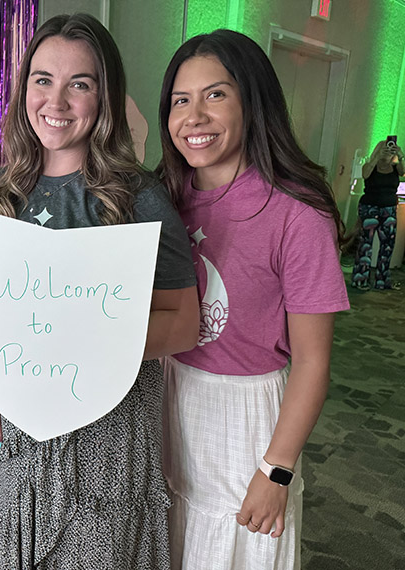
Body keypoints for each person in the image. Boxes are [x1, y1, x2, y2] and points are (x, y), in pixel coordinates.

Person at [0, 13, 199, 570]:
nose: (58, 100)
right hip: (21, 434)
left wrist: (85, 337)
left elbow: (184, 321)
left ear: (105, 97)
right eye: (43, 79)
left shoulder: (137, 197)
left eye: (81, 84)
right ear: (24, 86)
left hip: (107, 433)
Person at [156, 29, 350, 570]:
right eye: (180, 99)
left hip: (245, 416)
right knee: (171, 538)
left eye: (215, 94)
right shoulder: (163, 198)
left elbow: (313, 360)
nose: (194, 116)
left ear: (252, 101)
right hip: (168, 392)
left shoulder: (296, 213)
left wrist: (277, 470)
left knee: (231, 548)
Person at [351, 138, 404, 290]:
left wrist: (400, 155)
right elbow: (365, 174)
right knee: (365, 245)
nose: (387, 153)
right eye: (384, 149)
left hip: (389, 209)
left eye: (389, 150)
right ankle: (360, 279)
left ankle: (382, 281)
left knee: (387, 246)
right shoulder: (370, 165)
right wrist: (376, 157)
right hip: (369, 207)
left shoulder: (396, 167)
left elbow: (403, 171)